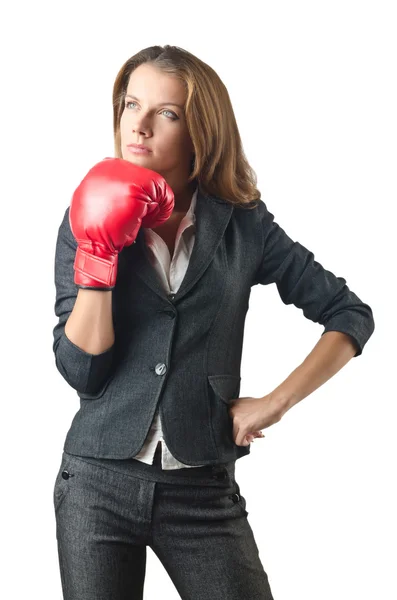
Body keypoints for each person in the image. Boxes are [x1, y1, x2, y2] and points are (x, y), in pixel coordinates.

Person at [52, 45, 375, 600]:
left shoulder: (244, 225)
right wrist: (98, 256)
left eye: (167, 113)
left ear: (200, 128)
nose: (141, 125)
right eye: (131, 105)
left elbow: (349, 314)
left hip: (202, 487)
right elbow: (82, 370)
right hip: (96, 482)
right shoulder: (88, 211)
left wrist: (273, 403)